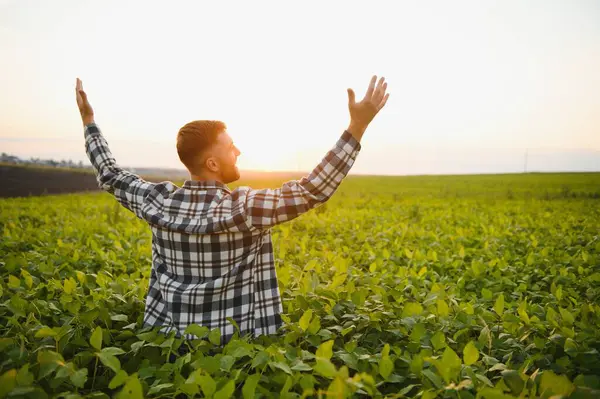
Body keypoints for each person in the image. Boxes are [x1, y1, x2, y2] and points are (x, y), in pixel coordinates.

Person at [75, 76, 389, 346]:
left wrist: (89, 123)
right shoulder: (243, 208)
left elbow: (110, 174)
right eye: (230, 147)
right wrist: (356, 127)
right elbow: (312, 189)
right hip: (237, 349)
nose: (237, 151)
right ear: (212, 163)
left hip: (170, 343)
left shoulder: (158, 201)